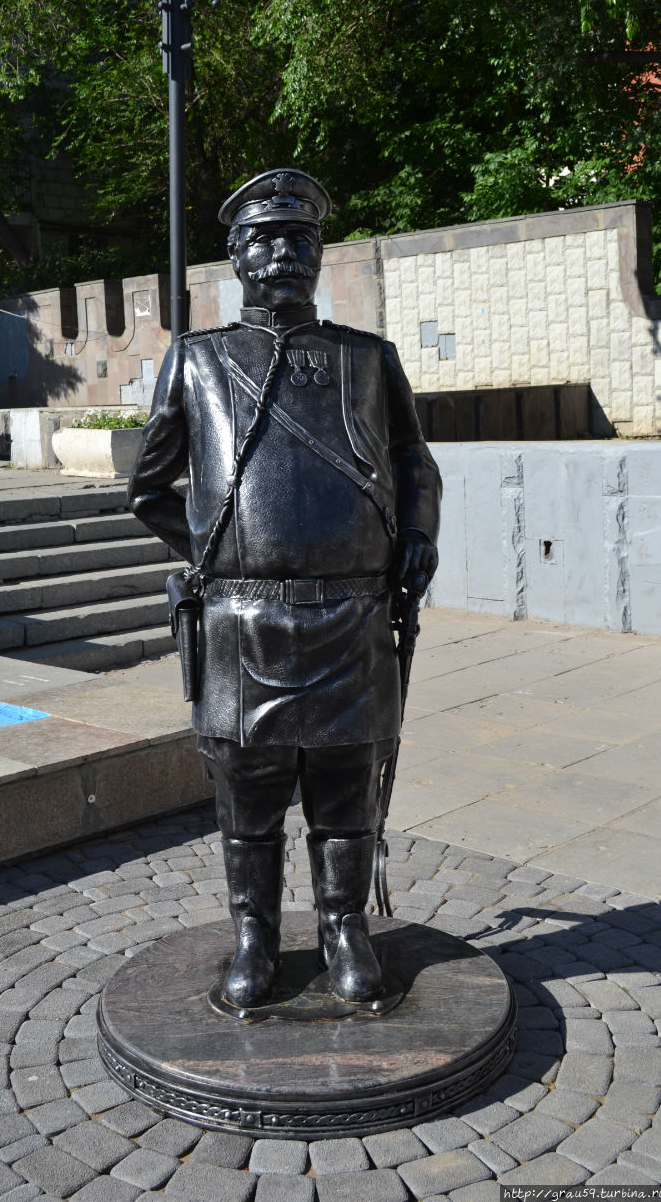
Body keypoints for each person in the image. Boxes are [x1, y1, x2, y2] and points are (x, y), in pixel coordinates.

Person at [128, 169, 441, 1010]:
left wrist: (416, 533)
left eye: (299, 239)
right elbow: (149, 487)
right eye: (263, 239)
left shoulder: (366, 359)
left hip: (353, 614)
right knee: (250, 795)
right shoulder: (196, 361)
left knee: (347, 786)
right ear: (234, 256)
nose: (283, 253)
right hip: (241, 619)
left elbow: (413, 461)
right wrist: (218, 551)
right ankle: (254, 936)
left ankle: (343, 928)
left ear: (318, 254)